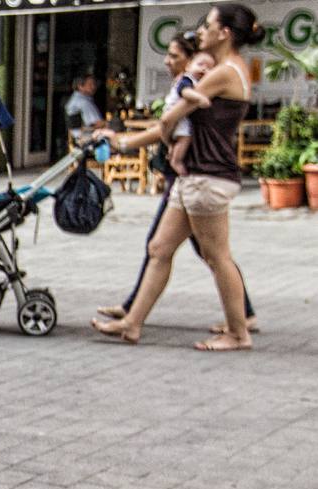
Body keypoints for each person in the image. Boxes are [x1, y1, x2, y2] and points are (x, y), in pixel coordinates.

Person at [90, 3, 265, 351]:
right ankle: (132, 323)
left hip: (208, 176)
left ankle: (237, 332)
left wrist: (127, 141)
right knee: (160, 248)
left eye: (207, 25)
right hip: (194, 176)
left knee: (217, 256)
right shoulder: (224, 70)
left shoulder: (225, 72)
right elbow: (169, 122)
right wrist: (128, 141)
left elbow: (169, 120)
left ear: (224, 33)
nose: (201, 31)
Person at [167, 52, 215, 177]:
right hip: (176, 114)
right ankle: (176, 161)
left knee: (178, 139)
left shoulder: (198, 82)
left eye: (209, 68)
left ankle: (173, 153)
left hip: (178, 116)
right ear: (188, 66)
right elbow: (185, 92)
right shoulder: (187, 79)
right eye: (200, 64)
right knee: (185, 137)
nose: (204, 69)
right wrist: (199, 99)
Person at [65, 75, 106, 140]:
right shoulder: (83, 102)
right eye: (90, 84)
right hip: (86, 138)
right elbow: (97, 123)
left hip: (79, 137)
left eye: (94, 84)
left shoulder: (75, 99)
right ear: (80, 86)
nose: (94, 87)